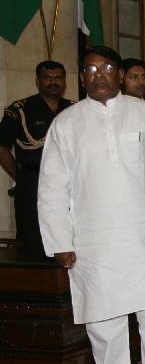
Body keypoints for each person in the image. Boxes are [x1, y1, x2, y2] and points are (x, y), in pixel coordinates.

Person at [37, 46, 145, 364]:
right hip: (93, 240)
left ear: (120, 73)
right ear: (82, 77)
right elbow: (52, 187)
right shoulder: (66, 123)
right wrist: (60, 241)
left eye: (107, 67)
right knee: (104, 324)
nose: (99, 74)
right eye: (90, 69)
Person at [1, 60, 72, 259]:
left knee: (67, 236)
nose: (53, 82)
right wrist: (21, 176)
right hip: (32, 184)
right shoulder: (20, 110)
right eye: (48, 78)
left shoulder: (74, 110)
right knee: (32, 240)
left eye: (58, 78)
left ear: (64, 81)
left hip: (68, 185)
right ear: (37, 81)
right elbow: (2, 147)